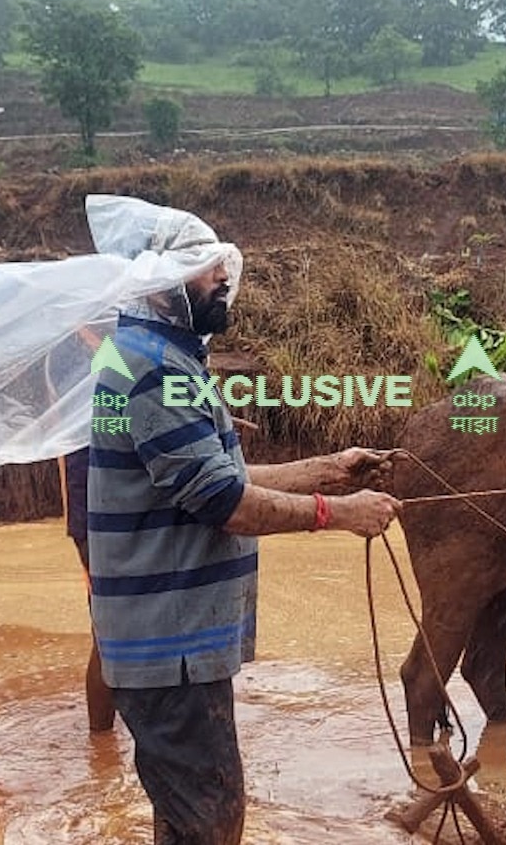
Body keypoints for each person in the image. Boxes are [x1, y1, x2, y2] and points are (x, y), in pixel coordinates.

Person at [85, 196, 401, 843]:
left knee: (188, 815)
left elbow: (214, 481)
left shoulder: (166, 360)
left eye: (220, 265)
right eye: (205, 269)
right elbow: (224, 505)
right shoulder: (151, 370)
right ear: (163, 284)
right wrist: (340, 513)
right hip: (168, 644)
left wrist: (327, 468)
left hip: (175, 642)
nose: (221, 278)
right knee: (214, 817)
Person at [63, 445, 115, 733]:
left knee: (108, 630)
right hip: (98, 519)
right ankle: (101, 737)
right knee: (108, 632)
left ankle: (103, 744)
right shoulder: (98, 410)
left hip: (98, 518)